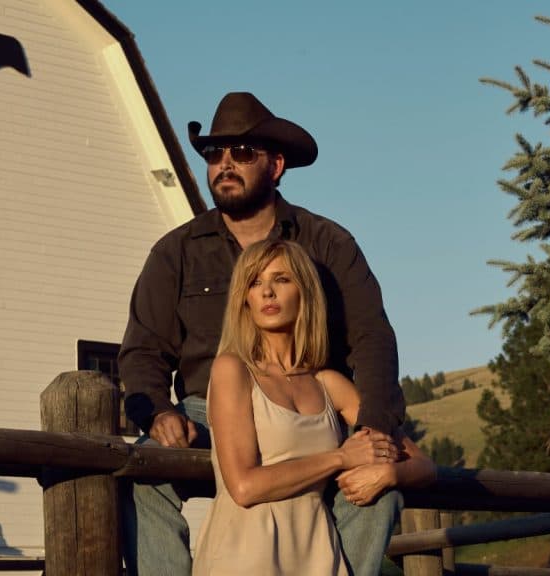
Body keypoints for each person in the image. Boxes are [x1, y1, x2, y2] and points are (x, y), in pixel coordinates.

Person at [119, 91, 407, 576]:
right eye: (214, 154)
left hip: (308, 404)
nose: (224, 164)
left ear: (275, 166)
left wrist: (373, 427)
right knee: (143, 475)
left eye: (242, 153)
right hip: (207, 409)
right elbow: (143, 349)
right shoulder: (176, 252)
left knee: (379, 486)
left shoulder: (328, 244)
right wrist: (159, 411)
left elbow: (372, 337)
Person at [192, 239, 436, 575]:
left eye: (281, 279)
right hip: (244, 554)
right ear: (244, 300)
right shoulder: (233, 370)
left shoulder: (329, 384)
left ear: (304, 291)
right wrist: (340, 458)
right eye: (255, 282)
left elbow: (424, 465)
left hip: (319, 556)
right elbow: (244, 487)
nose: (267, 292)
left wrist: (389, 473)